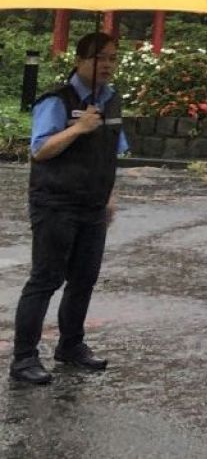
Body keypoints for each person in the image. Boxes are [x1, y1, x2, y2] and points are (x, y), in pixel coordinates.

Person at [10, 33, 128, 385]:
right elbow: (40, 149)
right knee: (46, 279)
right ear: (80, 60)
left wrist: (109, 195)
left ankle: (71, 345)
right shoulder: (56, 100)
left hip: (93, 205)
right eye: (100, 58)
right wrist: (78, 128)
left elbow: (112, 152)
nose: (107, 65)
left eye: (112, 58)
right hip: (56, 203)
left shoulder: (111, 100)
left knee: (84, 279)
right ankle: (24, 358)